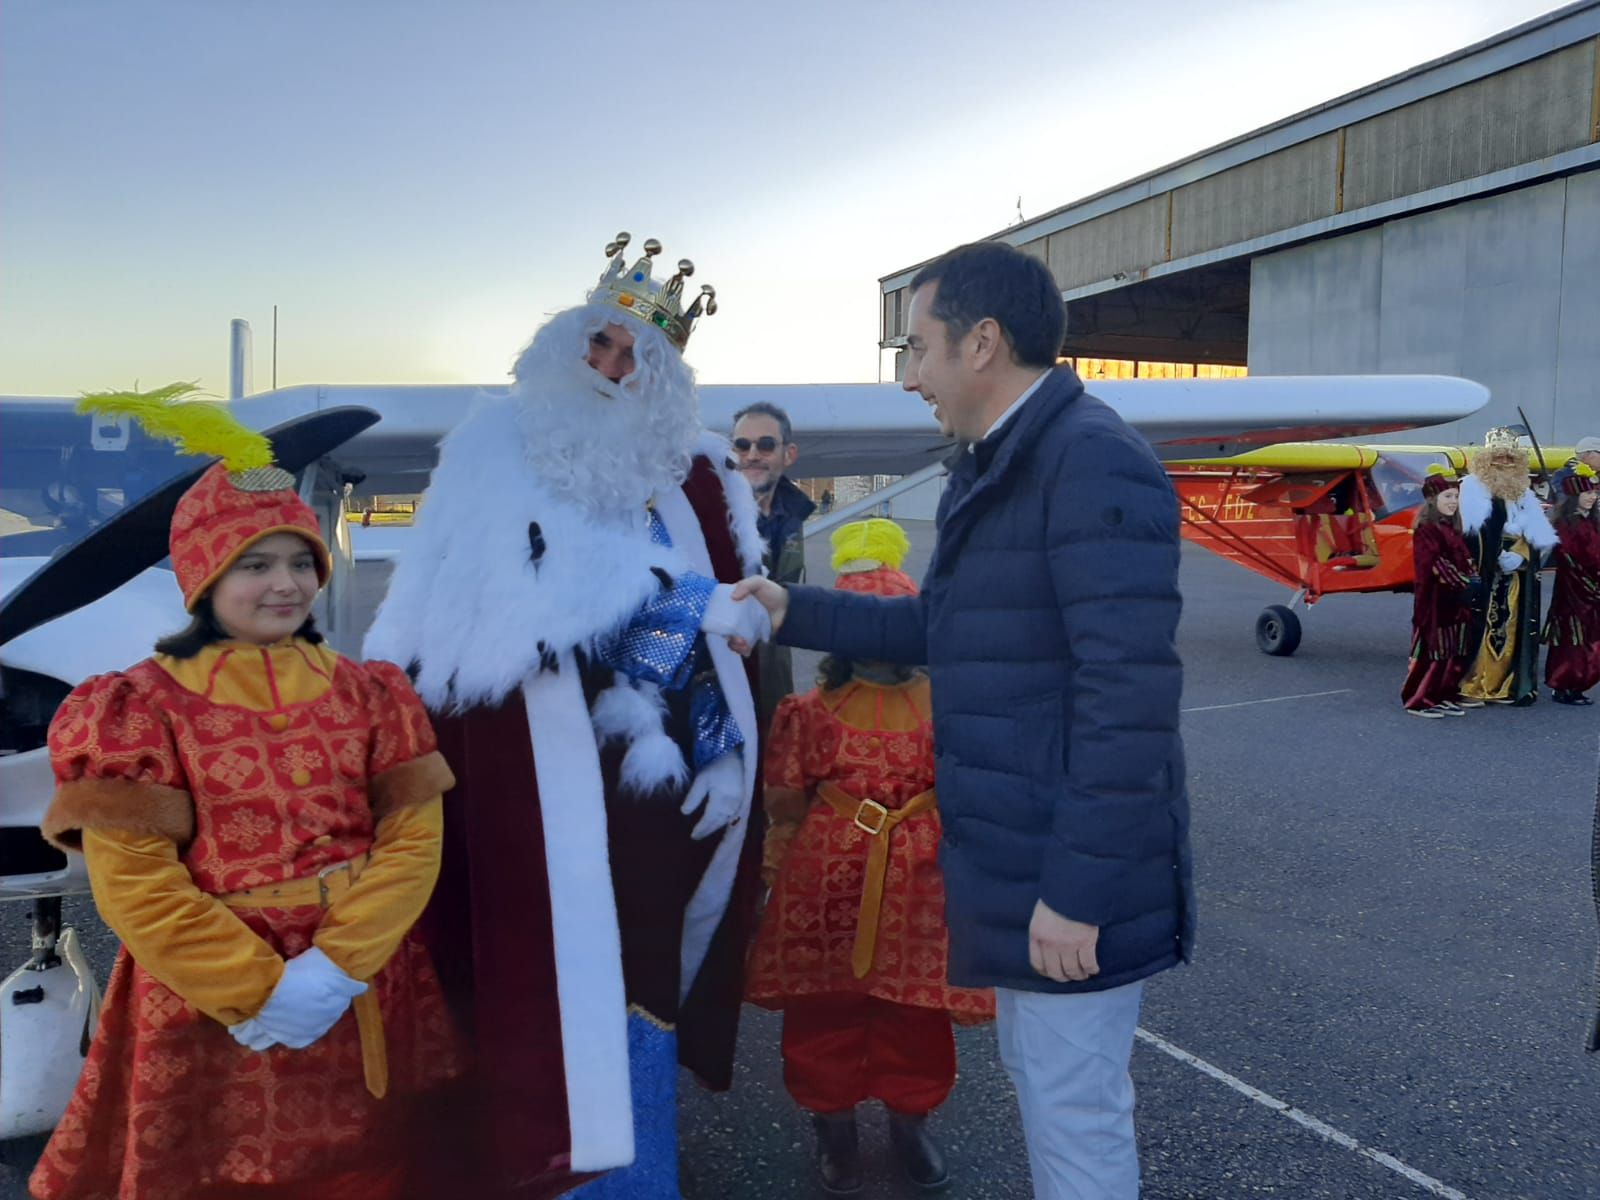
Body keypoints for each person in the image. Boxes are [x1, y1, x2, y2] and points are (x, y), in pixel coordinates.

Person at [734, 240, 1192, 1200]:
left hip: (1068, 880)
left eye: (919, 349)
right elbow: (943, 625)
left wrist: (1078, 893)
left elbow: (1129, 702)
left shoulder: (1090, 464)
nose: (908, 378)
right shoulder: (1007, 463)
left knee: (1075, 1115)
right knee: (1048, 1092)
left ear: (982, 342)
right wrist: (792, 607)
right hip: (1024, 865)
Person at [363, 232, 771, 1198]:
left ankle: (636, 1176)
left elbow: (741, 635)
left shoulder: (698, 475)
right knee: (536, 971)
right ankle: (544, 1169)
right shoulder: (493, 454)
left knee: (644, 972)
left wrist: (724, 751)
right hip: (523, 784)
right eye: (600, 343)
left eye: (638, 359)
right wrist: (677, 601)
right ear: (564, 343)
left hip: (653, 788)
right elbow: (489, 616)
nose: (612, 368)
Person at [31, 391, 463, 1200]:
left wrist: (335, 969)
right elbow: (133, 882)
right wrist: (258, 989)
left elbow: (412, 841)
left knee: (364, 1170)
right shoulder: (135, 707)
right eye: (255, 564)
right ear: (205, 577)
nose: (286, 584)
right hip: (209, 998)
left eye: (301, 561)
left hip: (359, 982)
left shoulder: (372, 694)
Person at [745, 518, 994, 1195]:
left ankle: (912, 1123)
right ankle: (834, 1125)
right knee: (824, 1001)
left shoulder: (951, 707)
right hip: (826, 874)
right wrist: (774, 880)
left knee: (914, 1010)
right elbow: (785, 802)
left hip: (920, 876)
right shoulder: (809, 711)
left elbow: (973, 800)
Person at [1459, 428, 1559, 707]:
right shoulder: (1470, 486)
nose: (1503, 463)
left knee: (1510, 627)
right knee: (1482, 625)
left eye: (1509, 459)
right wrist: (1492, 555)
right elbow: (1469, 532)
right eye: (1497, 458)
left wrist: (1521, 556)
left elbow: (1539, 533)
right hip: (1484, 567)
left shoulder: (1523, 491)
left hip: (1515, 572)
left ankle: (1505, 684)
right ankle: (1474, 685)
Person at [733, 401, 816, 727]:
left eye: (765, 445)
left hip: (774, 679)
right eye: (742, 445)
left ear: (788, 454)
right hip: (724, 681)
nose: (752, 454)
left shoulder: (791, 514)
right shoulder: (712, 516)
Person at [1401, 466, 1480, 718]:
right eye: (1448, 497)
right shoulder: (1427, 528)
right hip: (1435, 600)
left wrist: (1473, 575)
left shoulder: (1450, 527)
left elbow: (1464, 557)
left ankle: (1441, 694)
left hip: (1454, 600)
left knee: (1452, 649)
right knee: (1431, 651)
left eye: (1456, 497)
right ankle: (1417, 699)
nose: (1453, 502)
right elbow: (1435, 564)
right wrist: (1465, 582)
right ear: (1433, 499)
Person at [1543, 463, 1600, 705]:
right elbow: (1568, 557)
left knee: (1590, 640)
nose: (1592, 497)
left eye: (1594, 493)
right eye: (1587, 493)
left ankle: (1578, 684)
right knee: (1571, 639)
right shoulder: (1566, 524)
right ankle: (1563, 684)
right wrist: (1589, 586)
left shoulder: (1593, 522)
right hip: (1574, 590)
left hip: (1592, 587)